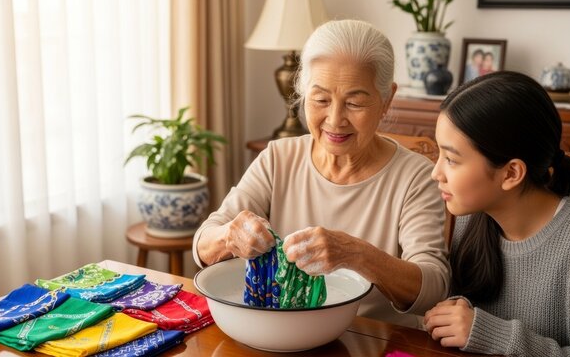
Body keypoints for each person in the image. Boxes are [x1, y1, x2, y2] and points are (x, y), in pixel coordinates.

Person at [192, 19, 450, 327]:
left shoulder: (416, 177)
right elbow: (204, 244)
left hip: (372, 341)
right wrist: (229, 236)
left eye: (354, 102)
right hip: (280, 334)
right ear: (303, 95)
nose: (335, 119)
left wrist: (357, 255)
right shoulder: (279, 157)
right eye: (321, 100)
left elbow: (433, 287)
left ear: (387, 100)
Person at [425, 71, 570, 355]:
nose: (435, 173)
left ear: (512, 172)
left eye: (452, 159)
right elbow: (467, 314)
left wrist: (495, 336)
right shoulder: (473, 216)